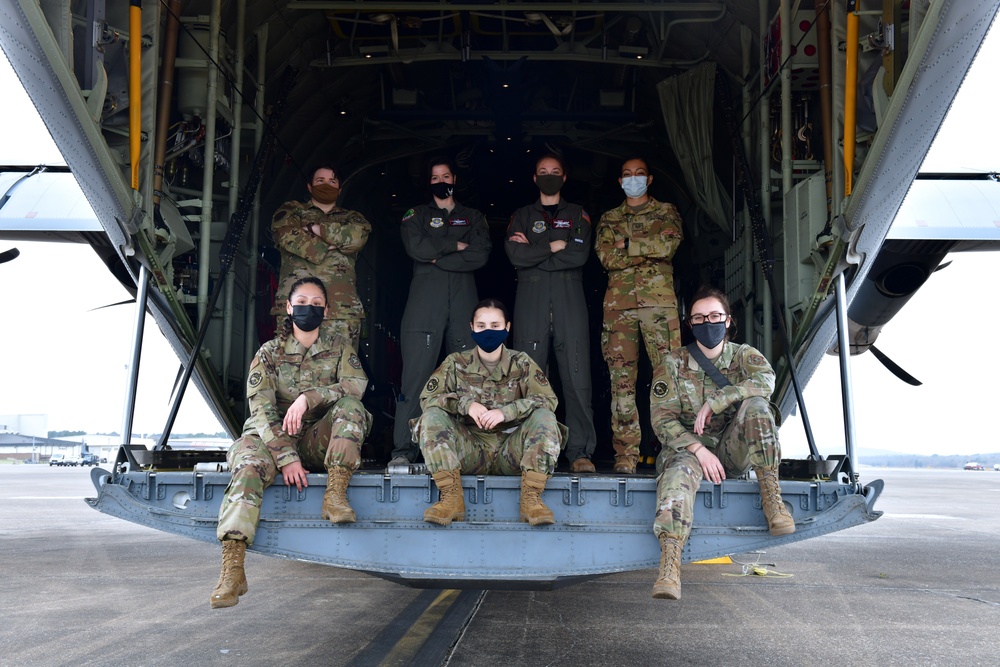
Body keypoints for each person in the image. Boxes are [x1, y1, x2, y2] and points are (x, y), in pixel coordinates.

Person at [211, 276, 372, 609]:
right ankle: (233, 569)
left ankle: (335, 495)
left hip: (316, 437)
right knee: (248, 467)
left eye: (315, 305)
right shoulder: (269, 353)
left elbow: (355, 387)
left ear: (326, 310)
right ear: (288, 307)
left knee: (353, 409)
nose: (308, 310)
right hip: (270, 437)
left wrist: (308, 398)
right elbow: (261, 411)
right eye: (301, 303)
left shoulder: (340, 347)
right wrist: (286, 458)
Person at [648, 286, 795, 600]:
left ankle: (772, 500)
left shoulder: (743, 356)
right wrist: (698, 450)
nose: (708, 323)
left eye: (715, 316)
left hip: (732, 449)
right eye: (699, 318)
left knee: (757, 407)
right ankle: (670, 566)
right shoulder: (673, 363)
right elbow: (662, 419)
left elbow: (766, 381)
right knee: (678, 477)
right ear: (691, 324)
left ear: (728, 321)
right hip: (686, 450)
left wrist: (720, 399)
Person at [413, 298, 564, 526]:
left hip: (512, 451)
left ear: (507, 327)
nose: (488, 331)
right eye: (481, 326)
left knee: (545, 417)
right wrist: (466, 405)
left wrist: (508, 412)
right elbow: (428, 398)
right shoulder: (455, 363)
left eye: (495, 325)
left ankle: (532, 500)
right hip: (468, 449)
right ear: (471, 328)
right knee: (432, 417)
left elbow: (547, 400)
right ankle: (451, 498)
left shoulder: (521, 362)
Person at [390, 156, 492, 467]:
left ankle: (469, 451)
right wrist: (454, 246)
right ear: (429, 182)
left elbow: (480, 255)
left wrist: (437, 254)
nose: (441, 181)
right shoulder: (415, 215)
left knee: (467, 380)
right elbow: (416, 249)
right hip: (424, 305)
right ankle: (404, 451)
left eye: (446, 176)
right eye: (435, 177)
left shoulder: (473, 217)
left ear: (454, 180)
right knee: (415, 379)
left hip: (462, 303)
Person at [504, 154, 597, 474]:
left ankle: (580, 451)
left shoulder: (578, 214)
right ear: (534, 178)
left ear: (564, 177)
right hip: (531, 301)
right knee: (527, 380)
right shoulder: (521, 215)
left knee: (576, 378)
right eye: (543, 172)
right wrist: (555, 245)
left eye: (555, 172)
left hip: (569, 300)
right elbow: (515, 255)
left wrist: (534, 249)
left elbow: (580, 253)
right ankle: (529, 447)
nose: (549, 176)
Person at [595, 157, 684, 474]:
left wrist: (629, 243)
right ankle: (626, 455)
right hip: (619, 310)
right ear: (620, 182)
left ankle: (673, 449)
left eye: (639, 174)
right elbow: (606, 256)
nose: (633, 179)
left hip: (659, 308)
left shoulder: (665, 211)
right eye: (627, 175)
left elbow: (669, 245)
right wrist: (647, 247)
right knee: (622, 384)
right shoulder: (609, 217)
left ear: (649, 180)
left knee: (668, 379)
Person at [270, 165, 371, 350]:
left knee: (341, 372)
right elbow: (286, 236)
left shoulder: (352, 218)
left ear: (340, 190)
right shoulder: (292, 211)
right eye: (320, 181)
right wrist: (334, 245)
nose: (326, 185)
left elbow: (356, 238)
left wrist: (316, 230)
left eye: (332, 181)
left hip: (340, 311)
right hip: (296, 309)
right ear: (309, 187)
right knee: (291, 369)